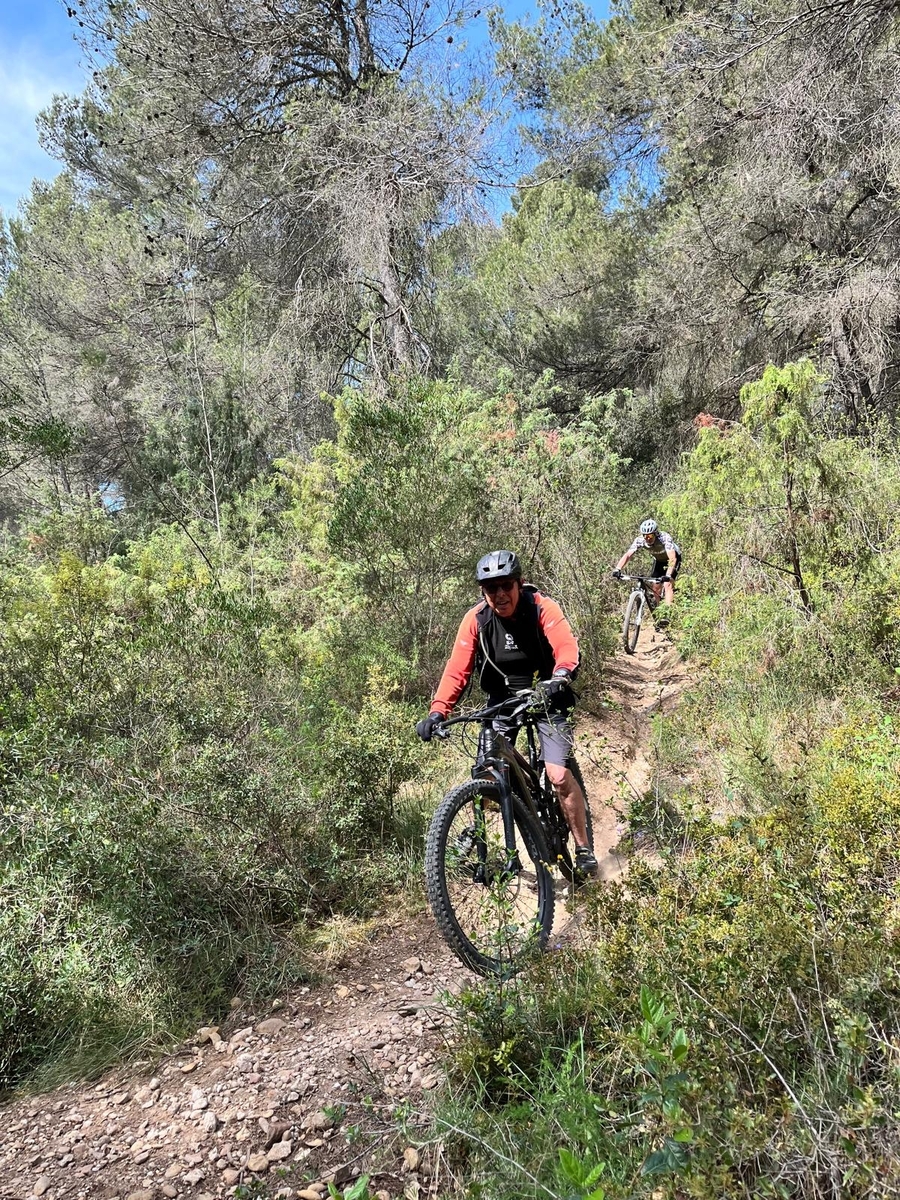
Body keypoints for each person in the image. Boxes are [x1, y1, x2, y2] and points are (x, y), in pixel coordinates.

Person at [415, 549, 598, 876]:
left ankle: (584, 848)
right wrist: (438, 711)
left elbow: (566, 646)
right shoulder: (476, 620)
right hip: (502, 701)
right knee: (487, 774)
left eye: (506, 585)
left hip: (548, 693)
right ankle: (482, 836)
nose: (499, 594)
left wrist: (561, 676)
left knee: (557, 775)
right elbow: (457, 670)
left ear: (519, 583)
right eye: (491, 588)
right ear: (483, 591)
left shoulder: (541, 607)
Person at [613, 519, 682, 605]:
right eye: (645, 536)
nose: (647, 538)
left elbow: (672, 558)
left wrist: (668, 575)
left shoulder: (664, 538)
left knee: (667, 584)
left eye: (650, 536)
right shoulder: (640, 540)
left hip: (673, 559)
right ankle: (659, 609)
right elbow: (628, 555)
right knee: (655, 586)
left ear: (655, 533)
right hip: (659, 561)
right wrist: (618, 568)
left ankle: (668, 610)